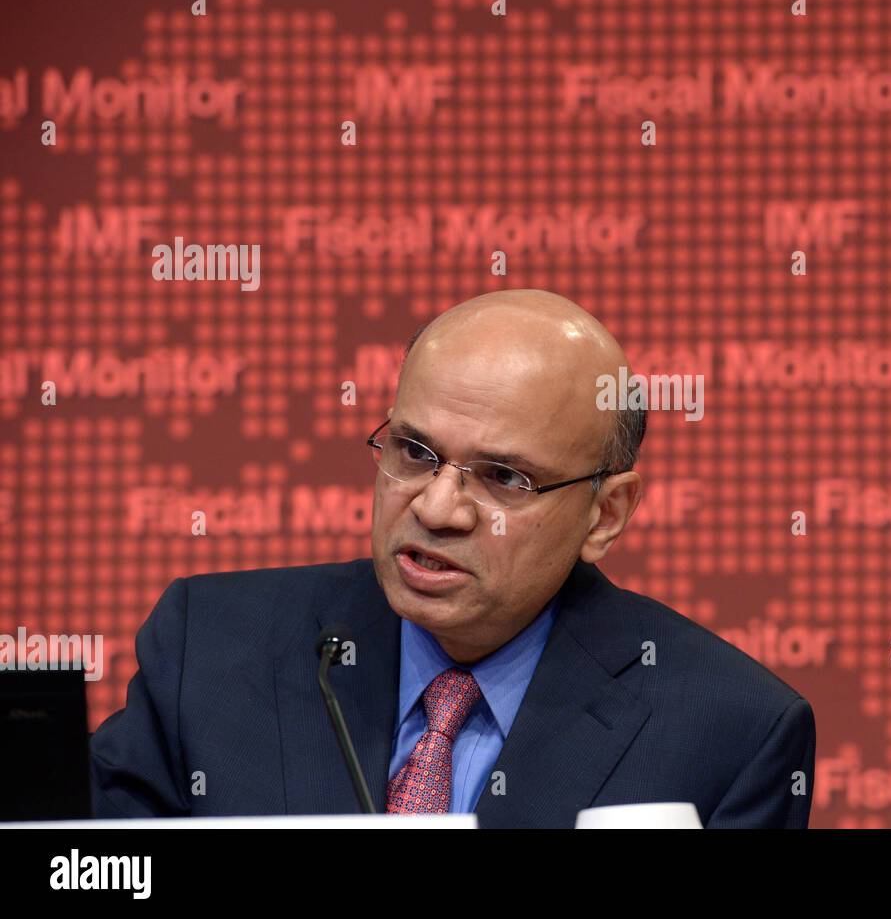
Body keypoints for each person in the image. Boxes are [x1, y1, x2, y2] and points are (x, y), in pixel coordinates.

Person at [90, 289, 816, 827]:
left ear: (605, 514)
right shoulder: (211, 648)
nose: (437, 508)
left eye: (504, 477)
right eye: (415, 453)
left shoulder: (730, 732)